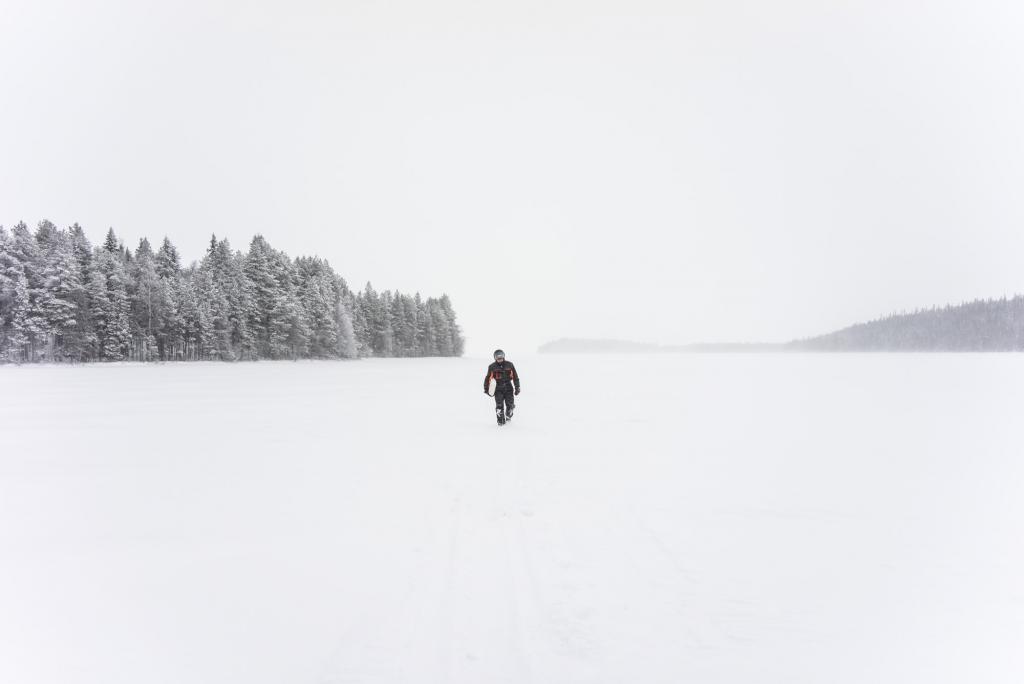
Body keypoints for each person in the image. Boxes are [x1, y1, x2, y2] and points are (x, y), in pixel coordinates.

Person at [484, 349, 520, 425]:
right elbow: (488, 378)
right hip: (498, 389)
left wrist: (517, 387)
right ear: (495, 357)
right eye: (497, 357)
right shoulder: (492, 367)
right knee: (499, 406)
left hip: (508, 387)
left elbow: (515, 377)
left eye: (501, 356)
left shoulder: (510, 365)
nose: (499, 358)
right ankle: (501, 423)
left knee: (510, 405)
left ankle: (508, 416)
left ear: (503, 356)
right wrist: (486, 389)